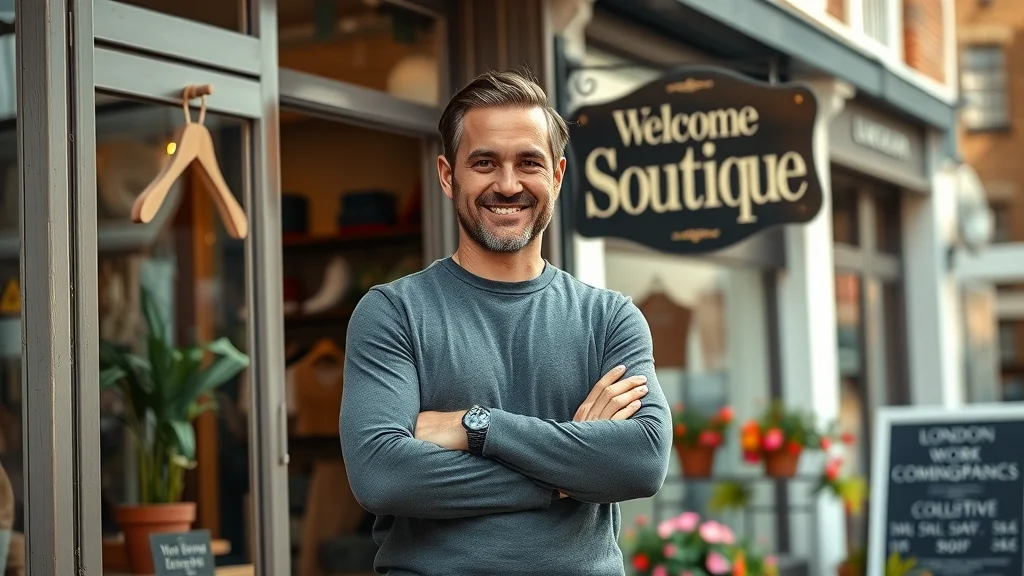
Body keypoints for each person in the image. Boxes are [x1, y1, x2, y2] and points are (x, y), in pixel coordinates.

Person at [340, 69, 672, 576]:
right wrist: (571, 472)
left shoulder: (610, 318)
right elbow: (383, 476)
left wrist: (477, 426)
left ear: (557, 175)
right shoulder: (394, 313)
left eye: (528, 163)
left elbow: (642, 461)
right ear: (449, 175)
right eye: (485, 162)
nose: (508, 184)